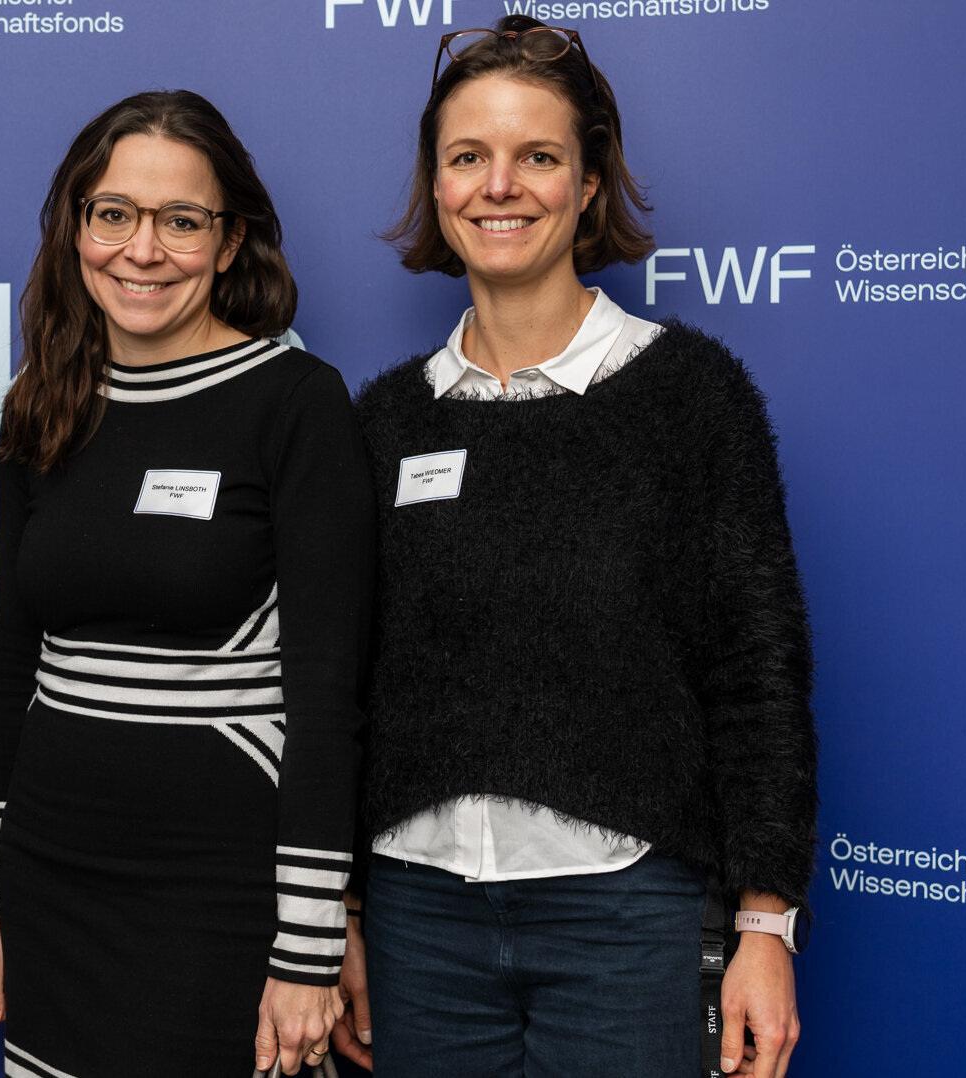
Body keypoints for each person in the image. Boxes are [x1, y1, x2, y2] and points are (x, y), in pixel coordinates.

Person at [340, 18, 817, 1078]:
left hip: (626, 921)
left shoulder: (691, 398)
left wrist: (765, 924)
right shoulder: (385, 424)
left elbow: (757, 675)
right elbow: (352, 687)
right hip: (419, 927)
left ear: (589, 183)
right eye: (468, 156)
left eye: (538, 157)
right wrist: (345, 913)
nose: (498, 186)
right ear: (436, 183)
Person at [0, 90, 375, 1078]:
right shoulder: (41, 403)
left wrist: (308, 947)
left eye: (181, 221)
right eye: (114, 214)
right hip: (51, 882)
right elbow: (14, 665)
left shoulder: (295, 402)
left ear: (228, 244)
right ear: (76, 227)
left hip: (223, 894)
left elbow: (326, 698)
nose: (141, 250)